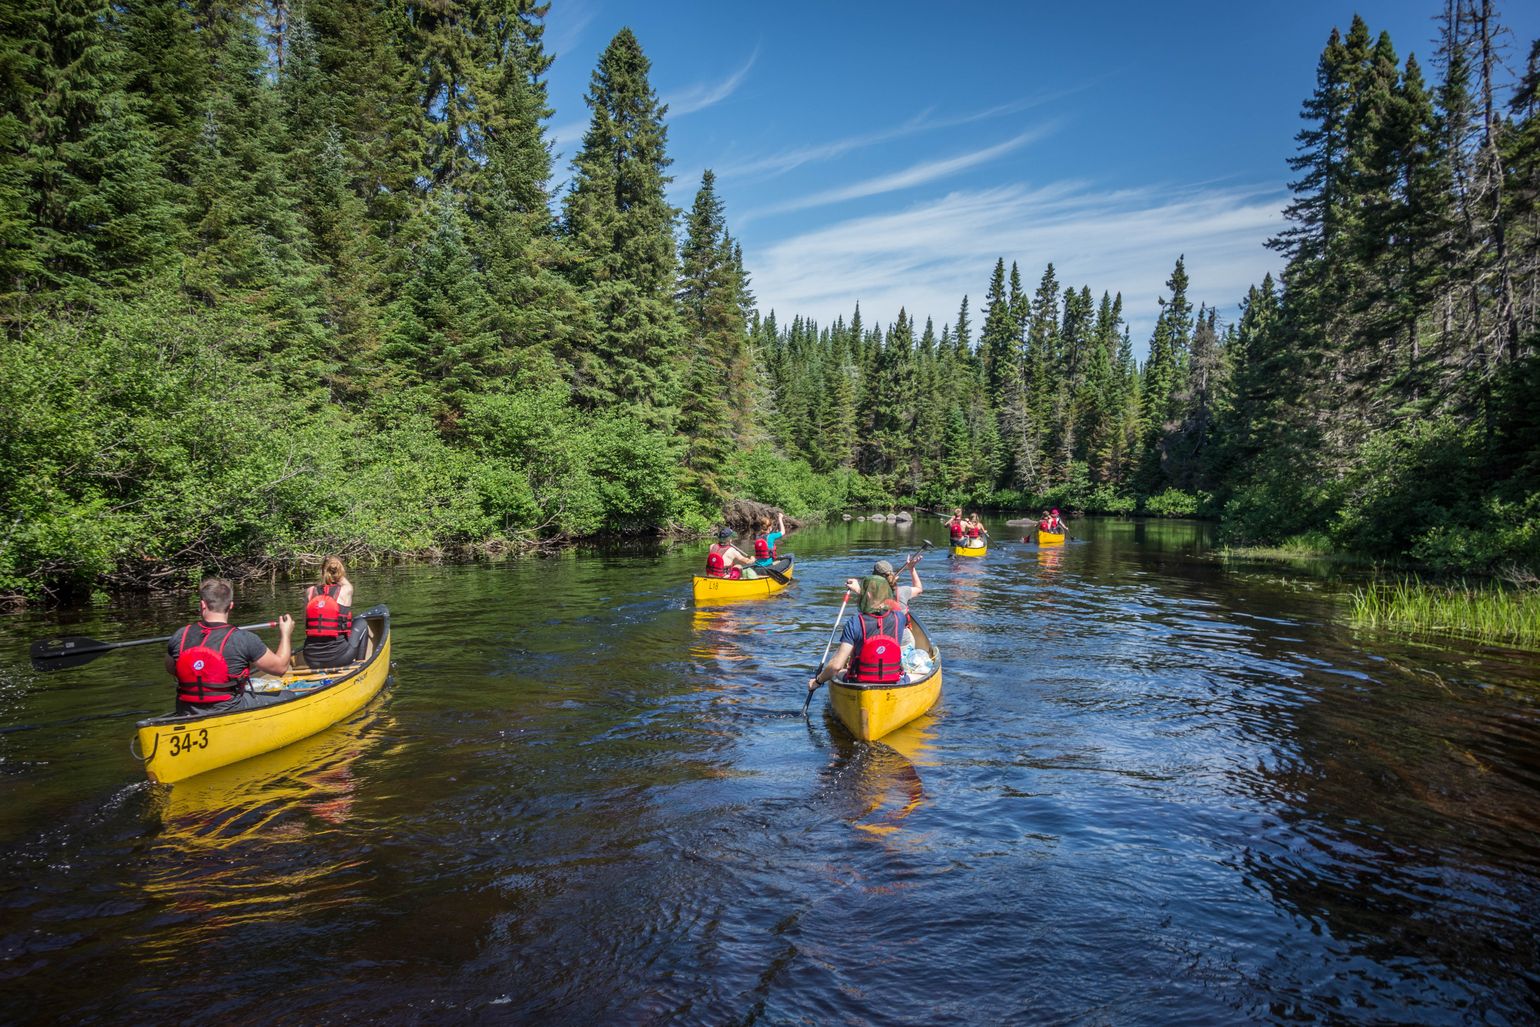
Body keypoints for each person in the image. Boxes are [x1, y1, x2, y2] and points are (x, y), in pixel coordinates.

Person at [165, 577, 294, 716]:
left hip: (185, 709)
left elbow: (172, 669)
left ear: (202, 604)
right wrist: (285, 633)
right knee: (289, 696)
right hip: (229, 709)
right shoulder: (243, 639)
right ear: (231, 605)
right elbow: (280, 668)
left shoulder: (180, 635)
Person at [809, 573, 911, 694]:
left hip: (859, 682)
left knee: (837, 672)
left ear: (866, 595)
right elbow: (892, 607)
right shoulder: (899, 618)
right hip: (893, 681)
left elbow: (836, 666)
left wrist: (818, 681)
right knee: (909, 676)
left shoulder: (855, 623)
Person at [303, 555, 370, 669]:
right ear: (341, 571)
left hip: (310, 658)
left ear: (322, 571)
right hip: (339, 658)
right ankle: (360, 664)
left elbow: (307, 621)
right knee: (361, 622)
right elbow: (343, 581)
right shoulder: (346, 589)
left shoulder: (309, 592)